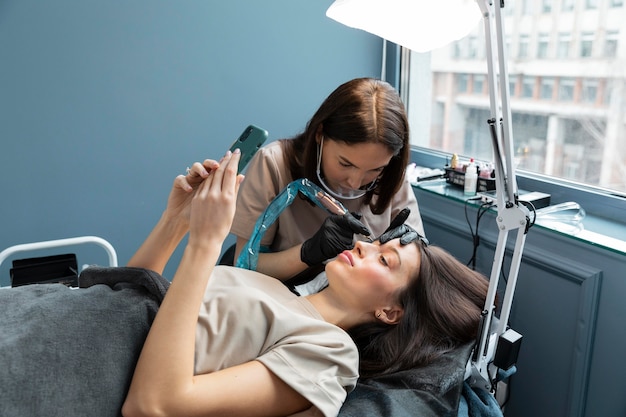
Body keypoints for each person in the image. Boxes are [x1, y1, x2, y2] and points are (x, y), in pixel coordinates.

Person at [120, 150, 490, 417]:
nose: (362, 245)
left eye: (383, 259)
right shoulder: (276, 289)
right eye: (376, 242)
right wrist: (175, 223)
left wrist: (204, 245)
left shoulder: (330, 353)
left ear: (390, 311)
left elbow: (154, 405)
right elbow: (128, 301)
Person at [229, 77, 425, 282]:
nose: (355, 183)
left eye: (375, 169)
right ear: (320, 134)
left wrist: (415, 252)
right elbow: (244, 266)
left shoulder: (391, 174)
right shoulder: (274, 163)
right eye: (346, 164)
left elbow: (416, 267)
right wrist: (308, 252)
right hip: (288, 296)